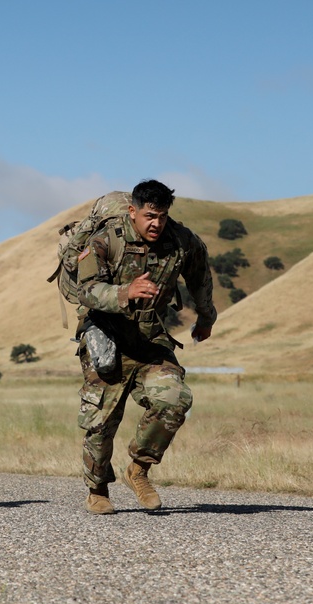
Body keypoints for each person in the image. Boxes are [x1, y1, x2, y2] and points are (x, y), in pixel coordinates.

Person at [75, 179, 216, 514]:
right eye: (150, 216)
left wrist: (206, 316)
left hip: (150, 339)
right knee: (100, 422)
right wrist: (125, 292)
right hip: (107, 338)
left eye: (163, 216)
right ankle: (97, 490)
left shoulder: (181, 241)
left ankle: (138, 469)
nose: (157, 223)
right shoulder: (105, 240)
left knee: (175, 398)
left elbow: (200, 276)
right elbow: (86, 290)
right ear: (132, 211)